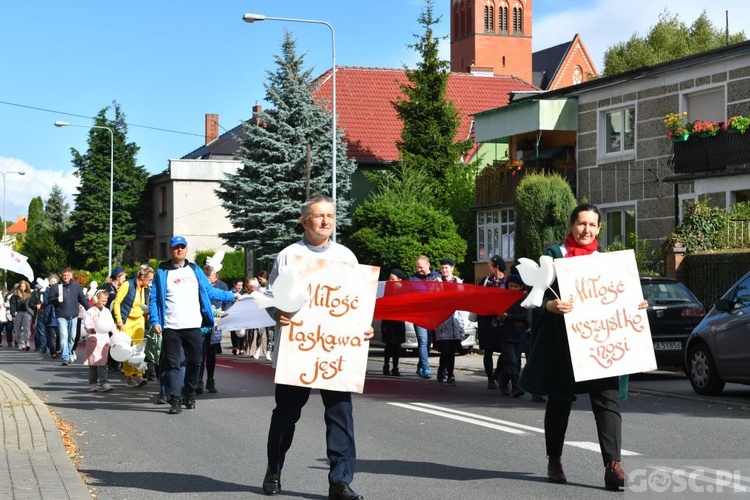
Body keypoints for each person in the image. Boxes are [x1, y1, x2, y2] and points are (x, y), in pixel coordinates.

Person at [518, 203, 647, 491]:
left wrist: (637, 303)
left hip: (600, 345)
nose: (586, 230)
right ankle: (555, 459)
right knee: (560, 402)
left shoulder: (609, 262)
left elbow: (623, 297)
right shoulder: (554, 257)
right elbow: (532, 296)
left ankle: (613, 466)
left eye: (592, 225)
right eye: (581, 224)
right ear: (571, 225)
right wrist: (550, 305)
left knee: (607, 401)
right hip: (563, 346)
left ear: (599, 228)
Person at [262, 194, 372, 500]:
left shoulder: (346, 257)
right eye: (318, 216)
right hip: (298, 352)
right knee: (286, 414)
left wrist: (363, 326)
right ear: (304, 221)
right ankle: (274, 468)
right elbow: (271, 298)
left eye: (330, 216)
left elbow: (355, 303)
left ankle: (340, 482)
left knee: (340, 416)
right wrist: (278, 312)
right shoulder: (288, 257)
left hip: (336, 352)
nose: (325, 221)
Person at [148, 236, 237, 415]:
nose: (179, 250)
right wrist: (155, 321)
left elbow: (210, 291)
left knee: (195, 363)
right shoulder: (162, 272)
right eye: (175, 248)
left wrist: (232, 296)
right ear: (171, 251)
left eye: (182, 247)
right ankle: (175, 399)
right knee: (172, 364)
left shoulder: (195, 269)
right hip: (171, 326)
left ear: (186, 250)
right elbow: (155, 298)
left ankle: (189, 392)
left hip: (194, 325)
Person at [113, 265, 155, 388]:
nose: (150, 283)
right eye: (149, 279)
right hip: (127, 320)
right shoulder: (127, 285)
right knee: (127, 348)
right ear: (142, 277)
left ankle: (140, 375)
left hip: (139, 320)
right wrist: (119, 320)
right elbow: (117, 302)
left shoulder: (146, 288)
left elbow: (145, 305)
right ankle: (129, 376)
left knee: (138, 348)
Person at [197, 262, 230, 394]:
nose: (207, 272)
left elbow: (228, 302)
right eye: (205, 270)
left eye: (209, 270)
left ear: (215, 271)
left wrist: (223, 314)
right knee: (200, 353)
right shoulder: (201, 284)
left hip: (216, 324)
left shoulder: (222, 285)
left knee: (211, 354)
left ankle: (210, 381)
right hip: (201, 323)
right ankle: (198, 382)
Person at [46, 268, 90, 365]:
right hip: (61, 315)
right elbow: (49, 300)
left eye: (68, 275)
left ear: (71, 276)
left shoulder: (76, 286)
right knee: (63, 336)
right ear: (61, 276)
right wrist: (57, 299)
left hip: (73, 315)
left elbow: (82, 298)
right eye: (64, 275)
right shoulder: (56, 287)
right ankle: (65, 357)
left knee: (72, 337)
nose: (66, 277)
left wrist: (89, 309)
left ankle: (69, 353)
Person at [477, 255, 506, 389]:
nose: (487, 268)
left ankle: (497, 374)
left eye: (489, 265)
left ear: (497, 267)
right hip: (486, 321)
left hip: (502, 321)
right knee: (488, 350)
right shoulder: (485, 281)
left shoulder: (507, 282)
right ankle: (490, 379)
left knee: (505, 351)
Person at [433, 259, 464, 386]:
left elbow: (462, 301)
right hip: (443, 321)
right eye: (442, 268)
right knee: (445, 350)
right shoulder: (437, 282)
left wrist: (461, 325)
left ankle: (450, 374)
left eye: (446, 268)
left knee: (452, 351)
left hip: (455, 320)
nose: (444, 270)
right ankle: (442, 369)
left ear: (452, 268)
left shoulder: (458, 282)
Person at [496, 273, 528, 397]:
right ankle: (516, 385)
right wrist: (500, 316)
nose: (513, 288)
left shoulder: (524, 299)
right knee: (511, 360)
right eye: (511, 286)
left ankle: (503, 382)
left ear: (521, 287)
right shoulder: (504, 297)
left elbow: (525, 316)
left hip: (519, 334)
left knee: (516, 361)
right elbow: (497, 312)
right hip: (506, 334)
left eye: (515, 286)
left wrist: (508, 316)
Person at [409, 255, 439, 379]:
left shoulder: (437, 277)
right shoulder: (412, 278)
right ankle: (426, 368)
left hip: (432, 315)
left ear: (428, 265)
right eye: (417, 267)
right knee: (423, 341)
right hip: (419, 315)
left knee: (428, 343)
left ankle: (420, 366)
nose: (419, 270)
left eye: (421, 267)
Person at [83, 290, 115, 392]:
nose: (104, 303)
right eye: (102, 300)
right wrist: (90, 329)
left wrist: (116, 334)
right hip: (94, 340)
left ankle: (104, 382)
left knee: (103, 363)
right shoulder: (90, 311)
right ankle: (92, 383)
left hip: (104, 341)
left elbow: (111, 324)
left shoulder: (107, 311)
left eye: (106, 301)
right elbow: (87, 324)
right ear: (96, 299)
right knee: (93, 364)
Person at [381, 269, 406, 377]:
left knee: (397, 346)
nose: (390, 281)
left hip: (399, 321)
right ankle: (386, 365)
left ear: (400, 280)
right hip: (388, 321)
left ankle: (395, 367)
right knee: (389, 345)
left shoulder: (404, 291)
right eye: (389, 279)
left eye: (393, 279)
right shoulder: (386, 289)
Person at [10, 281, 33, 351]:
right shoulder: (15, 295)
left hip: (27, 313)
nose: (22, 288)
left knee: (26, 328)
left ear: (26, 287)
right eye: (21, 286)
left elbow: (31, 304)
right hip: (18, 313)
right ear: (19, 287)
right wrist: (13, 315)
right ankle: (19, 343)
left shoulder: (29, 295)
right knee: (18, 329)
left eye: (24, 286)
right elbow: (12, 306)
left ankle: (26, 342)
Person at [229, 278, 247, 355]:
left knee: (242, 331)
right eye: (238, 285)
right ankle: (235, 347)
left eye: (241, 285)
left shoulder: (244, 292)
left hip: (242, 314)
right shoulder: (230, 292)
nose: (240, 287)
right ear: (234, 285)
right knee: (233, 331)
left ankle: (241, 348)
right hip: (233, 314)